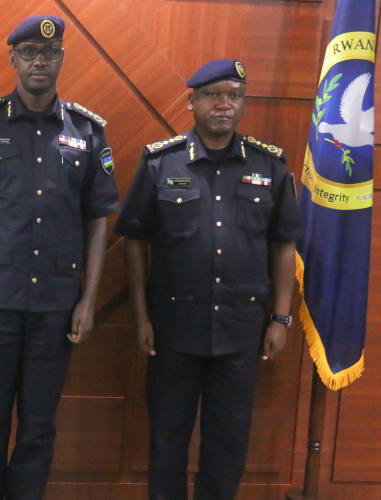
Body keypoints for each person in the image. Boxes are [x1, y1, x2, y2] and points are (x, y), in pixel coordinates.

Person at [0, 15, 119, 500]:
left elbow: (98, 219)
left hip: (56, 306)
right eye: (30, 52)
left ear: (62, 60)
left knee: (38, 427)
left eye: (50, 53)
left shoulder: (87, 131)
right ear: (13, 59)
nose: (41, 61)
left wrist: (88, 300)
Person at [114, 59, 303, 500]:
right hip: (173, 329)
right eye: (213, 95)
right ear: (192, 102)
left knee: (228, 442)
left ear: (243, 103)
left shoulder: (269, 164)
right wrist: (141, 317)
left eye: (234, 96)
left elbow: (283, 246)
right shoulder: (161, 162)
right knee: (167, 437)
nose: (224, 104)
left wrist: (280, 319)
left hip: (241, 330)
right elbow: (135, 241)